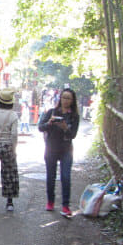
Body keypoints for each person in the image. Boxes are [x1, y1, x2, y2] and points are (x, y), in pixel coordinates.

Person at [37, 88, 80, 218]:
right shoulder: (51, 112)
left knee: (65, 177)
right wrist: (50, 123)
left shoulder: (74, 116)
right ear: (59, 98)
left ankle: (65, 205)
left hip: (66, 149)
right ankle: (50, 201)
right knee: (51, 176)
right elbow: (40, 127)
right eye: (63, 97)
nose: (65, 100)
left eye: (68, 98)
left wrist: (65, 128)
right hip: (51, 148)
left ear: (72, 101)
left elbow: (73, 135)